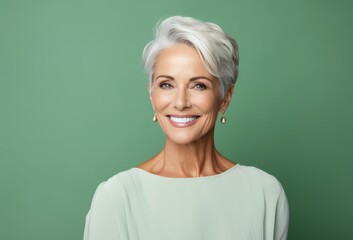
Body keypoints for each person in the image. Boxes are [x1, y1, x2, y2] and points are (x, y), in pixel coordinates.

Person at [83, 16, 289, 240]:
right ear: (152, 95)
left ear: (225, 98)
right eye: (166, 85)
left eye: (198, 85)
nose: (180, 102)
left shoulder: (264, 193)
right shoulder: (117, 197)